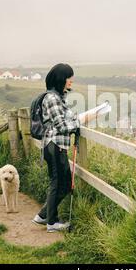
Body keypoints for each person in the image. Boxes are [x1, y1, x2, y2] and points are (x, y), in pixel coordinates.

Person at [32, 63, 94, 232]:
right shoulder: (52, 99)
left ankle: (44, 215)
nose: (71, 81)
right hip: (55, 145)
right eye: (69, 78)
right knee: (60, 183)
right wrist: (82, 121)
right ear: (61, 79)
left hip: (56, 146)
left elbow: (65, 120)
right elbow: (62, 126)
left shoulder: (58, 98)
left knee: (61, 182)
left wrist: (77, 119)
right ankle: (52, 222)